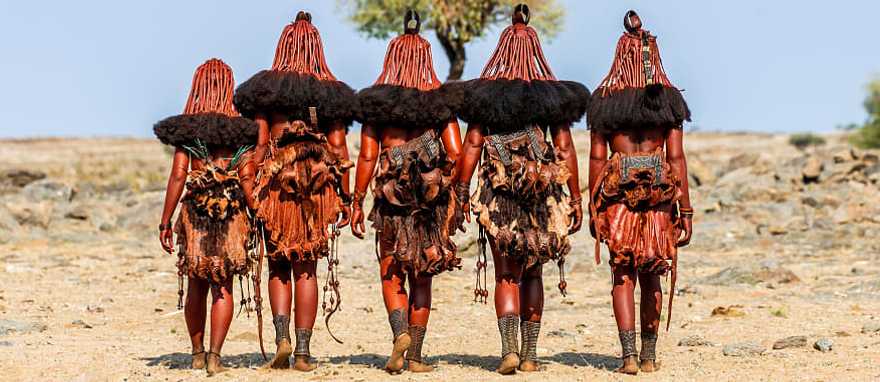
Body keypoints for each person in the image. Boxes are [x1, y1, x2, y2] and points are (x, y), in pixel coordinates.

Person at [453, 4, 590, 375]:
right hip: (541, 197)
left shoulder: (483, 97)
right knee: (533, 272)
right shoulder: (550, 97)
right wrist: (576, 199)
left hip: (498, 196)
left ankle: (508, 352)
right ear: (535, 51)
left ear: (501, 49)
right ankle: (529, 356)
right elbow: (564, 148)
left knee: (506, 274)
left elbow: (472, 145)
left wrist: (461, 192)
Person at [233, 11, 356, 371]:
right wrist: (346, 199)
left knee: (278, 265)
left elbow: (258, 147)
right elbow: (340, 150)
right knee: (307, 269)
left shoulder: (266, 93)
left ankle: (281, 339)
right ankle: (302, 352)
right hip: (316, 192)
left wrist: (250, 190)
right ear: (317, 47)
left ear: (283, 46)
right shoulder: (330, 95)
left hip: (276, 190)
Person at [350, 9, 464, 374]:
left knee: (391, 268)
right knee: (423, 273)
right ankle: (414, 355)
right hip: (430, 198)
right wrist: (453, 195)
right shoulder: (440, 104)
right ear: (426, 59)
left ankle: (399, 333)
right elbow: (457, 153)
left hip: (390, 196)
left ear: (392, 58)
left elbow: (367, 157)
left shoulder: (377, 106)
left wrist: (356, 201)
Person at [587, 10, 693, 375]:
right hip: (659, 199)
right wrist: (686, 211)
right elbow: (675, 158)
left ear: (620, 56)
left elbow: (597, 158)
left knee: (622, 275)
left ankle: (628, 357)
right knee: (652, 274)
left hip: (617, 197)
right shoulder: (668, 102)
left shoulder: (603, 100)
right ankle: (648, 357)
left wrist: (594, 207)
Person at [155, 58, 259, 376]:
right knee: (222, 286)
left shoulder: (188, 131)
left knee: (196, 284)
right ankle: (215, 357)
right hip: (231, 214)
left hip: (195, 214)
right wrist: (257, 214)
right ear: (230, 88)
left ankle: (197, 354)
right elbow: (247, 178)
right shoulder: (242, 131)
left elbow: (178, 176)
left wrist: (165, 221)